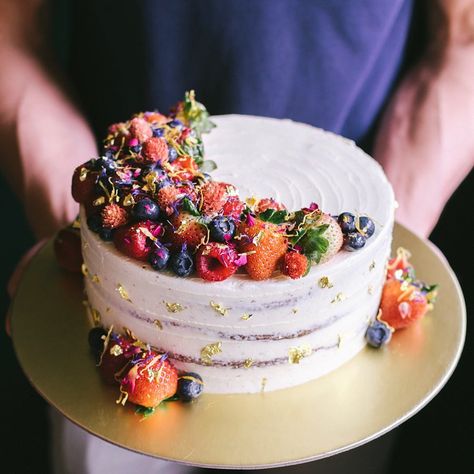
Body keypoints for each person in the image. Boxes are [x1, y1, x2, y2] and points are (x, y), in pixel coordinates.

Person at [1, 0, 473, 473]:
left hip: (340, 370)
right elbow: (11, 36)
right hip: (119, 359)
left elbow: (464, 38)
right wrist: (79, 225)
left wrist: (373, 256)